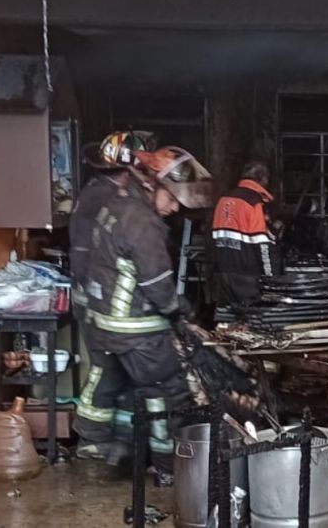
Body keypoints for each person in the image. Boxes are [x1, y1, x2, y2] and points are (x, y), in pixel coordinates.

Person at [81, 145, 210, 485]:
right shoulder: (142, 223)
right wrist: (181, 309)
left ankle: (126, 452)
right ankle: (171, 465)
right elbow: (157, 285)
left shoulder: (117, 205)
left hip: (105, 322)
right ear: (154, 185)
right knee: (172, 389)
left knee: (135, 390)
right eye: (173, 199)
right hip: (133, 326)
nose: (175, 207)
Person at [72, 130, 152, 461]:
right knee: (105, 367)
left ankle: (118, 440)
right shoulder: (104, 200)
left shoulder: (98, 192)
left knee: (114, 369)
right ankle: (90, 437)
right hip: (97, 298)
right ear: (128, 168)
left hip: (97, 294)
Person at [211, 159, 280, 307]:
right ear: (263, 178)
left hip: (224, 274)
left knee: (230, 322)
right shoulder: (254, 202)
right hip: (248, 276)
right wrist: (271, 281)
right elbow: (263, 246)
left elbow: (213, 239)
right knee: (254, 322)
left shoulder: (224, 200)